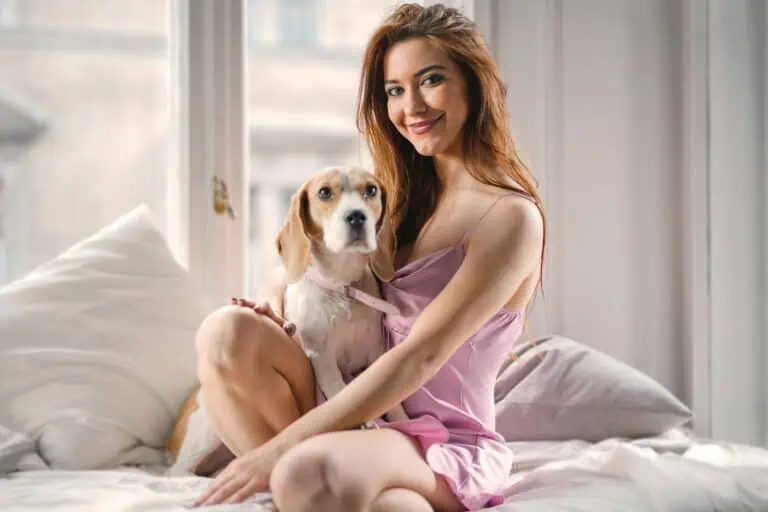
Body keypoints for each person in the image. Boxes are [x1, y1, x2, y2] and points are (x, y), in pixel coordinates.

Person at [192, 3, 545, 511]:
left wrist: (275, 451)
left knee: (305, 470)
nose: (412, 106)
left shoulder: (510, 217)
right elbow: (315, 263)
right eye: (395, 91)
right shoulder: (397, 199)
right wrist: (274, 297)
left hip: (440, 440)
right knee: (223, 333)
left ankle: (323, 480)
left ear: (475, 83)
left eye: (431, 80)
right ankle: (342, 486)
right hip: (352, 411)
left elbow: (420, 356)